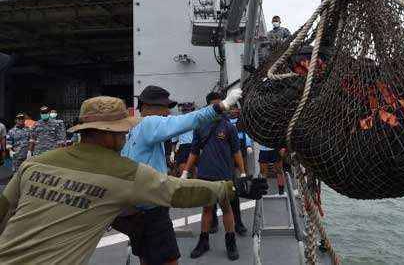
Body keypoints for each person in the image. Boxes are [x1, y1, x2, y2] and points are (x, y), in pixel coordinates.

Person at [0, 96, 268, 265]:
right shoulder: (122, 172)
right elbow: (178, 192)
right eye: (121, 133)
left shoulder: (33, 164)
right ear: (111, 134)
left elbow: (3, 209)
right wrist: (234, 187)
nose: (124, 138)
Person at [120, 85, 242, 265]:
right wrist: (223, 105)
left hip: (135, 210)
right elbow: (189, 121)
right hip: (152, 212)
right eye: (164, 107)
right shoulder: (149, 123)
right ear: (148, 106)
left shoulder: (133, 129)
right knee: (169, 261)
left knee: (146, 259)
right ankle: (208, 240)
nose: (168, 112)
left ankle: (224, 241)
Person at [182, 91, 248, 259]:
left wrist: (242, 172)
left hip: (225, 175)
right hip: (205, 175)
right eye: (217, 106)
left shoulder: (229, 127)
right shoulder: (200, 126)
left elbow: (236, 151)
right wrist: (185, 172)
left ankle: (230, 242)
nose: (221, 109)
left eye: (222, 105)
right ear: (210, 107)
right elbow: (194, 151)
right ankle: (203, 242)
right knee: (207, 210)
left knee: (227, 208)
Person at [172, 102, 195, 177]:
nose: (187, 111)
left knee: (195, 169)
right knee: (182, 167)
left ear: (192, 110)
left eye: (189, 110)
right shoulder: (178, 122)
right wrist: (172, 152)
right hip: (183, 147)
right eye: (185, 110)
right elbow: (174, 140)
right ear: (182, 111)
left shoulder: (197, 121)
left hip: (194, 145)